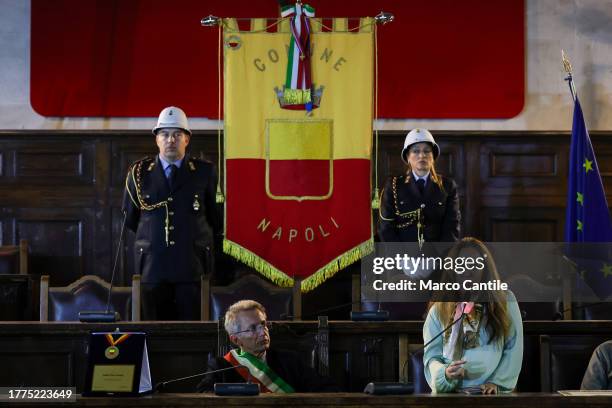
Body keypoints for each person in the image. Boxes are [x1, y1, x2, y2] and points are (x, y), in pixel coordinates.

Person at [123, 106, 220, 320]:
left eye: (177, 134)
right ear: (156, 139)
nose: (171, 140)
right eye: (165, 134)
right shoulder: (139, 173)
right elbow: (131, 219)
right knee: (152, 333)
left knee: (192, 333)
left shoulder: (204, 172)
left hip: (193, 269)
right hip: (151, 269)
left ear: (187, 139)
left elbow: (216, 219)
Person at [422, 237, 523, 394]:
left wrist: (496, 383)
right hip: (450, 395)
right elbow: (431, 358)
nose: (468, 270)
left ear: (485, 269)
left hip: (491, 393)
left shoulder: (505, 301)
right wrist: (445, 374)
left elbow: (513, 349)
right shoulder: (438, 310)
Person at [197, 300, 339, 393]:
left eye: (263, 324)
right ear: (236, 339)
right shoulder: (221, 366)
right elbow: (203, 395)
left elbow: (325, 387)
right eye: (253, 328)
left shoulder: (289, 361)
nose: (263, 332)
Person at [378, 128, 460, 243]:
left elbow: (451, 228)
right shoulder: (393, 186)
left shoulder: (447, 186)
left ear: (433, 156)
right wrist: (400, 258)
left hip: (436, 257)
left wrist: (440, 258)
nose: (422, 156)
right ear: (408, 157)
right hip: (402, 258)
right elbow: (386, 228)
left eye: (427, 151)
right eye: (416, 151)